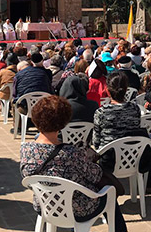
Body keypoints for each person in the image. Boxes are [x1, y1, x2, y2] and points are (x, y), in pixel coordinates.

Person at [19, 95, 128, 232]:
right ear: (63, 122)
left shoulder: (25, 149)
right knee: (108, 192)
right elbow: (96, 176)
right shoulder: (71, 153)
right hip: (77, 209)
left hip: (44, 205)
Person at [92, 73, 145, 171]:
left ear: (107, 91)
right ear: (126, 90)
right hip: (132, 157)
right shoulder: (135, 109)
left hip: (109, 161)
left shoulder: (101, 112)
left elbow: (96, 142)